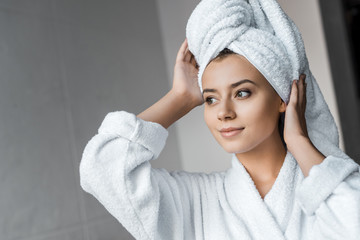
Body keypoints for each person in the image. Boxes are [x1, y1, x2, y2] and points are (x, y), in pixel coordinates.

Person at [79, 0, 360, 239]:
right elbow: (102, 168)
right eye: (211, 98)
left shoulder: (327, 190)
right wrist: (180, 98)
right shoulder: (197, 202)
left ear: (282, 98)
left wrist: (299, 142)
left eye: (242, 93)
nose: (223, 112)